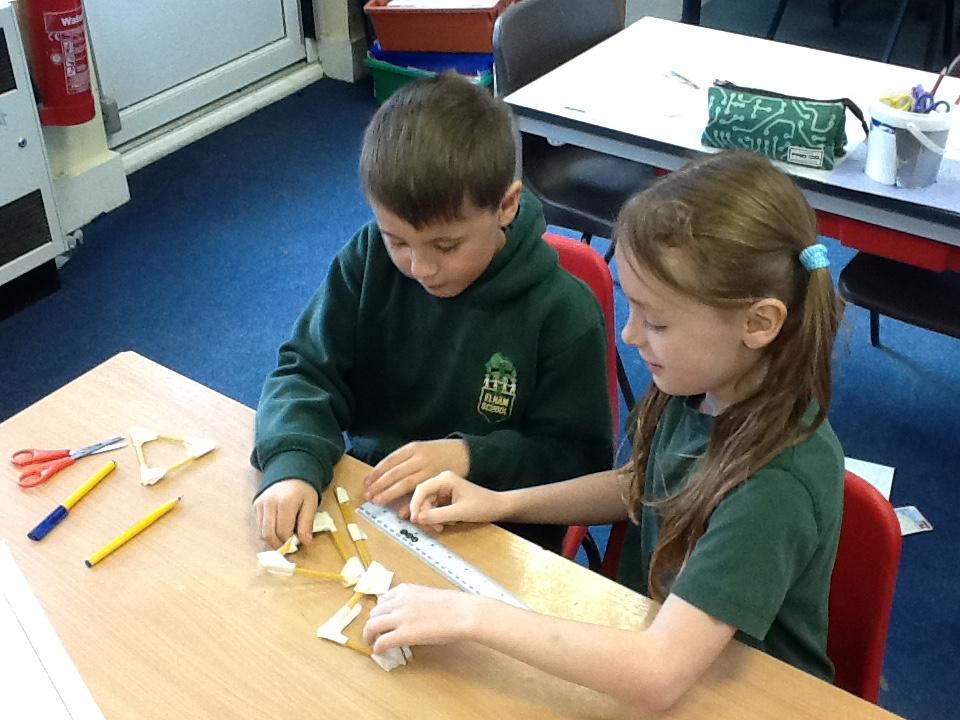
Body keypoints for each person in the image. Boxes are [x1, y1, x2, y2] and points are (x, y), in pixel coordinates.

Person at [362, 150, 845, 712]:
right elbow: (641, 485)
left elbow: (657, 672)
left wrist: (470, 614)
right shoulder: (700, 386)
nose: (630, 334)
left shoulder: (774, 484)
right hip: (671, 654)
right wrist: (502, 502)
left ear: (758, 323)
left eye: (656, 320)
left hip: (752, 699)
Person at [251, 73, 613, 553]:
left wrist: (470, 456)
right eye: (397, 241)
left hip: (499, 529)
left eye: (446, 245)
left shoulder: (563, 313)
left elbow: (578, 464)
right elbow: (305, 371)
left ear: (506, 205)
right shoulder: (368, 260)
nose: (420, 268)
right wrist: (292, 462)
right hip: (376, 499)